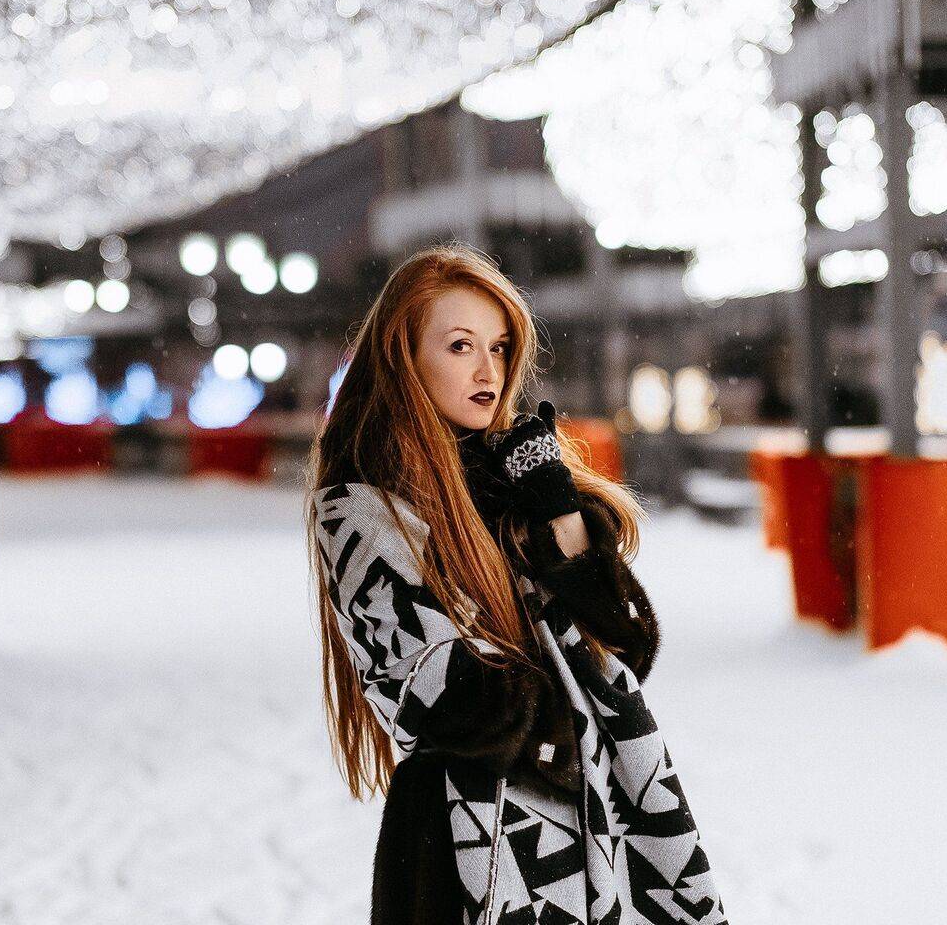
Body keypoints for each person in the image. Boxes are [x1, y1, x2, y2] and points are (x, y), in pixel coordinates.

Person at [304, 243, 728, 924]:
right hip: (467, 833)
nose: (488, 371)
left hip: (595, 814)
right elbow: (447, 702)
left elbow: (623, 644)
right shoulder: (361, 508)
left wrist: (555, 506)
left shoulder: (515, 484)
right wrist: (569, 700)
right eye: (460, 346)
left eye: (500, 348)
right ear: (402, 358)